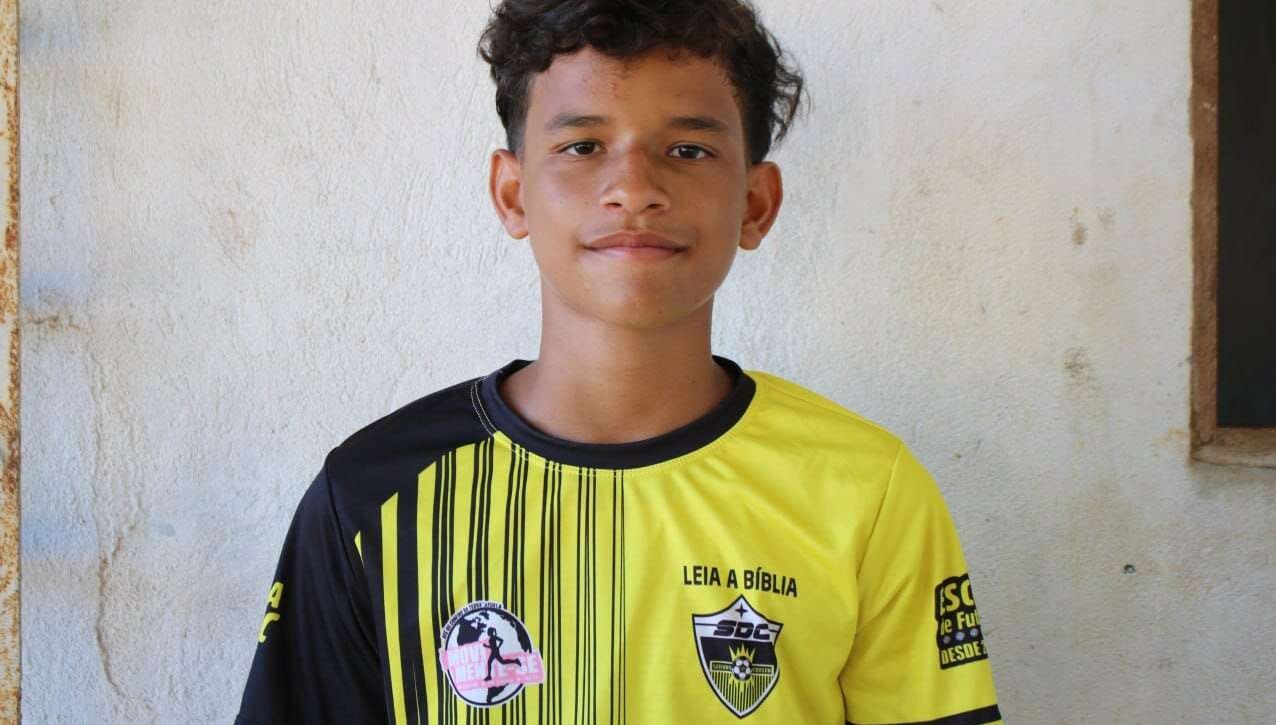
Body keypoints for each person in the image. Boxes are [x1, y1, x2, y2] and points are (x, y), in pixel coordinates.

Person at [234, 1, 1002, 723]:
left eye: (688, 149)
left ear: (755, 204)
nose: (634, 188)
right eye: (583, 146)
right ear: (513, 194)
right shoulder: (372, 496)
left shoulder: (866, 489)